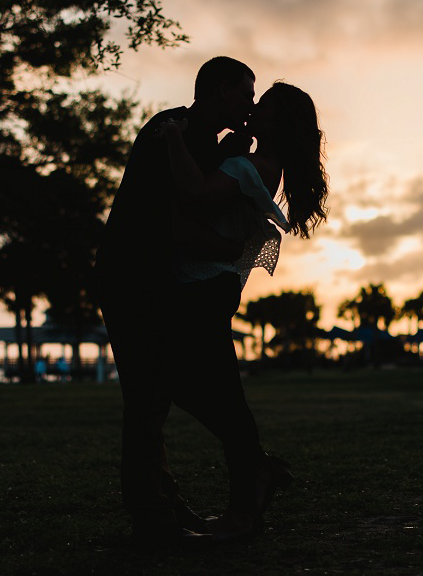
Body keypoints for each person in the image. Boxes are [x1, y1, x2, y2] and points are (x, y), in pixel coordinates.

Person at [94, 57, 256, 549]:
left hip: (151, 279)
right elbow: (179, 216)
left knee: (153, 397)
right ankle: (152, 516)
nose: (250, 104)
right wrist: (232, 250)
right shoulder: (173, 129)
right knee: (146, 400)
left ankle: (160, 504)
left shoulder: (198, 138)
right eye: (245, 93)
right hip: (133, 278)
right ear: (222, 89)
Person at [159, 80, 329, 541]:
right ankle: (256, 473)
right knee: (192, 387)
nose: (253, 109)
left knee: (216, 395)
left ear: (279, 122)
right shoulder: (253, 161)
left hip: (205, 288)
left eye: (265, 106)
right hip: (211, 286)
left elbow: (195, 193)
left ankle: (244, 505)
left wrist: (174, 138)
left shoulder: (251, 165)